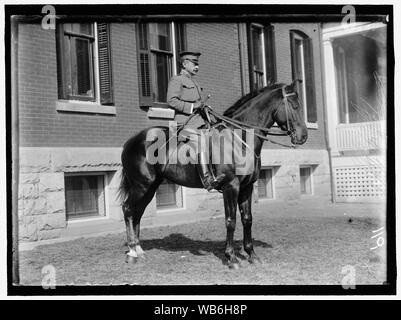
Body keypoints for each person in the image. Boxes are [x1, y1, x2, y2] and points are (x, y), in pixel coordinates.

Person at [167, 51, 225, 191]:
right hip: (183, 124)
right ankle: (207, 180)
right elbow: (171, 101)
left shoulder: (195, 83)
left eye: (197, 64)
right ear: (185, 63)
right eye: (194, 63)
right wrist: (193, 106)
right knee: (201, 142)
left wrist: (205, 108)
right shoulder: (177, 80)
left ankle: (219, 173)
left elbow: (198, 105)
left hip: (198, 123)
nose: (197, 67)